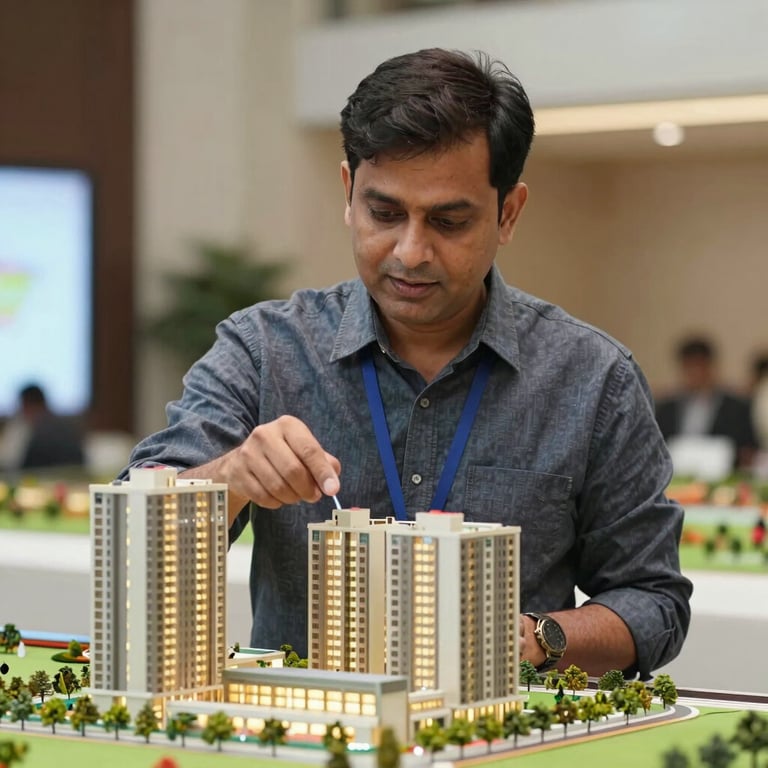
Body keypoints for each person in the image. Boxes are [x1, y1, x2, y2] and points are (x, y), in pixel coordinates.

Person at [125, 48, 691, 679]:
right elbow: (129, 543)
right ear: (348, 193)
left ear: (508, 213)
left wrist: (537, 638)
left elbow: (652, 600)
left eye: (448, 221)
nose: (411, 252)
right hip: (303, 742)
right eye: (384, 214)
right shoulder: (263, 351)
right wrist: (229, 477)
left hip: (495, 741)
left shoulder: (592, 379)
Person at [655, 337, 758, 470]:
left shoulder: (737, 408)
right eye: (689, 367)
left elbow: (748, 450)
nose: (695, 373)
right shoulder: (666, 409)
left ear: (710, 366)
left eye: (699, 366)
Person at [2, 384, 85, 471]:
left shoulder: (39, 433)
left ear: (26, 405)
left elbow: (25, 469)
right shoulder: (67, 425)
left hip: (45, 480)